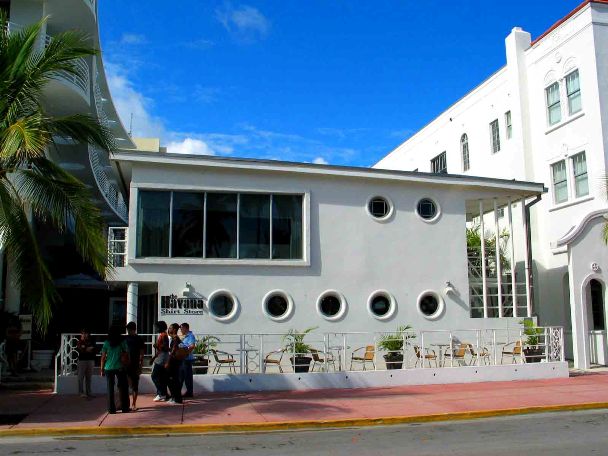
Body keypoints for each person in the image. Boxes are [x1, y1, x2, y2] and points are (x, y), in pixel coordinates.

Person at [100, 325, 130, 414]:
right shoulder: (122, 342)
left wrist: (101, 369)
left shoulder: (106, 342)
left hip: (108, 368)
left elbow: (103, 357)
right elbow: (127, 353)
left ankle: (111, 409)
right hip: (120, 367)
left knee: (110, 388)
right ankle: (125, 408)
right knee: (123, 388)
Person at [125, 321, 144, 410]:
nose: (128, 331)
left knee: (135, 385)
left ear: (134, 329)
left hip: (135, 364)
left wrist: (141, 363)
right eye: (128, 329)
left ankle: (134, 404)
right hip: (126, 364)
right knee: (126, 384)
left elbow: (141, 352)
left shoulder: (139, 339)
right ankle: (126, 403)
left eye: (130, 329)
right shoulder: (125, 339)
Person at [151, 320, 170, 402]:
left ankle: (161, 393)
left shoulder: (163, 335)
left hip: (162, 358)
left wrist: (157, 346)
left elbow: (165, 348)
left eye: (157, 327)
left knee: (154, 376)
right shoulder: (163, 335)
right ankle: (163, 394)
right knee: (161, 377)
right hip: (161, 357)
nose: (156, 329)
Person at [76, 328, 96, 398]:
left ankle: (89, 392)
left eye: (86, 333)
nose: (85, 335)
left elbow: (94, 349)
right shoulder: (79, 342)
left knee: (89, 377)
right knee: (81, 377)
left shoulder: (92, 341)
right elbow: (80, 350)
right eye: (83, 333)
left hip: (90, 360)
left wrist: (86, 349)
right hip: (82, 361)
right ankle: (81, 392)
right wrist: (86, 349)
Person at [166, 323, 183, 404]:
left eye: (170, 328)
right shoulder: (174, 338)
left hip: (174, 362)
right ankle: (174, 397)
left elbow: (173, 351)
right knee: (172, 379)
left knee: (173, 380)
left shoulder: (175, 339)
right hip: (174, 361)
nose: (169, 329)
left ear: (174, 330)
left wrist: (168, 362)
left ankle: (177, 398)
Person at [179, 322, 196, 398]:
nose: (181, 329)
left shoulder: (190, 336)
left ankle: (189, 392)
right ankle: (179, 392)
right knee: (181, 376)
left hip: (187, 359)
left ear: (186, 328)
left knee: (187, 376)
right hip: (182, 358)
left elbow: (192, 346)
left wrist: (185, 353)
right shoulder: (183, 336)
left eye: (181, 328)